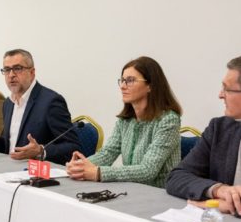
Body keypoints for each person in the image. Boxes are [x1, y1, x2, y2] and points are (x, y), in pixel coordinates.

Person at [66, 56, 182, 188]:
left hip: (159, 195)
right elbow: (107, 153)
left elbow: (148, 170)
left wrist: (98, 172)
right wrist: (81, 166)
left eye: (130, 81)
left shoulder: (168, 120)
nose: (122, 86)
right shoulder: (125, 120)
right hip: (131, 190)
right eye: (122, 80)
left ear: (150, 86)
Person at [0, 49, 80, 165]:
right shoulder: (8, 103)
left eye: (17, 68)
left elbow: (73, 146)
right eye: (7, 70)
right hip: (10, 170)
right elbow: (12, 146)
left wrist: (41, 151)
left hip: (37, 175)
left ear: (32, 72)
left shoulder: (51, 102)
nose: (11, 75)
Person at [166, 56, 241, 216]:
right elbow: (176, 177)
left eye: (227, 89)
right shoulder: (219, 128)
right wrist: (218, 190)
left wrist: (208, 204)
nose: (221, 95)